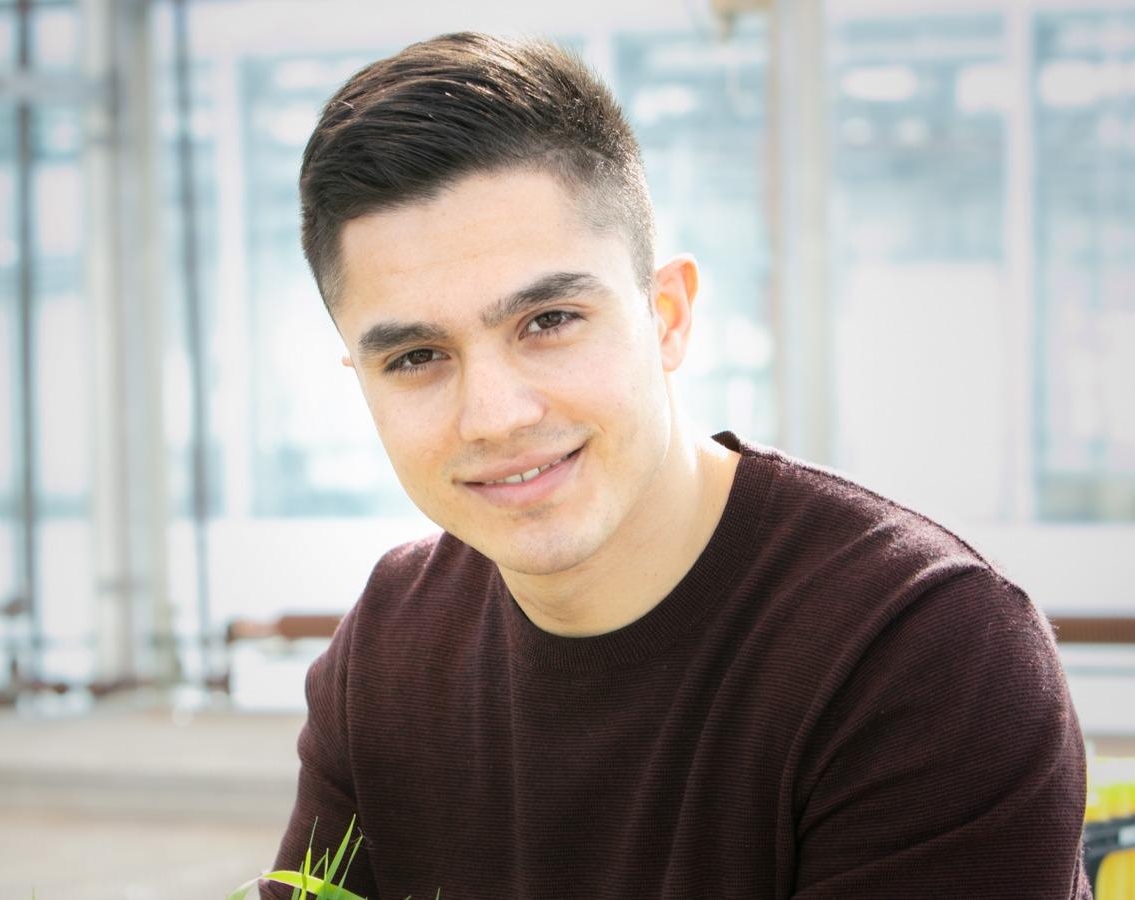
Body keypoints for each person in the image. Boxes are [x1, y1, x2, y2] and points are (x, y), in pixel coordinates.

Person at [267, 32, 1090, 899]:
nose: (496, 415)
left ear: (667, 318)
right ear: (361, 384)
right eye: (416, 358)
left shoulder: (921, 652)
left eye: (548, 320)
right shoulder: (393, 646)